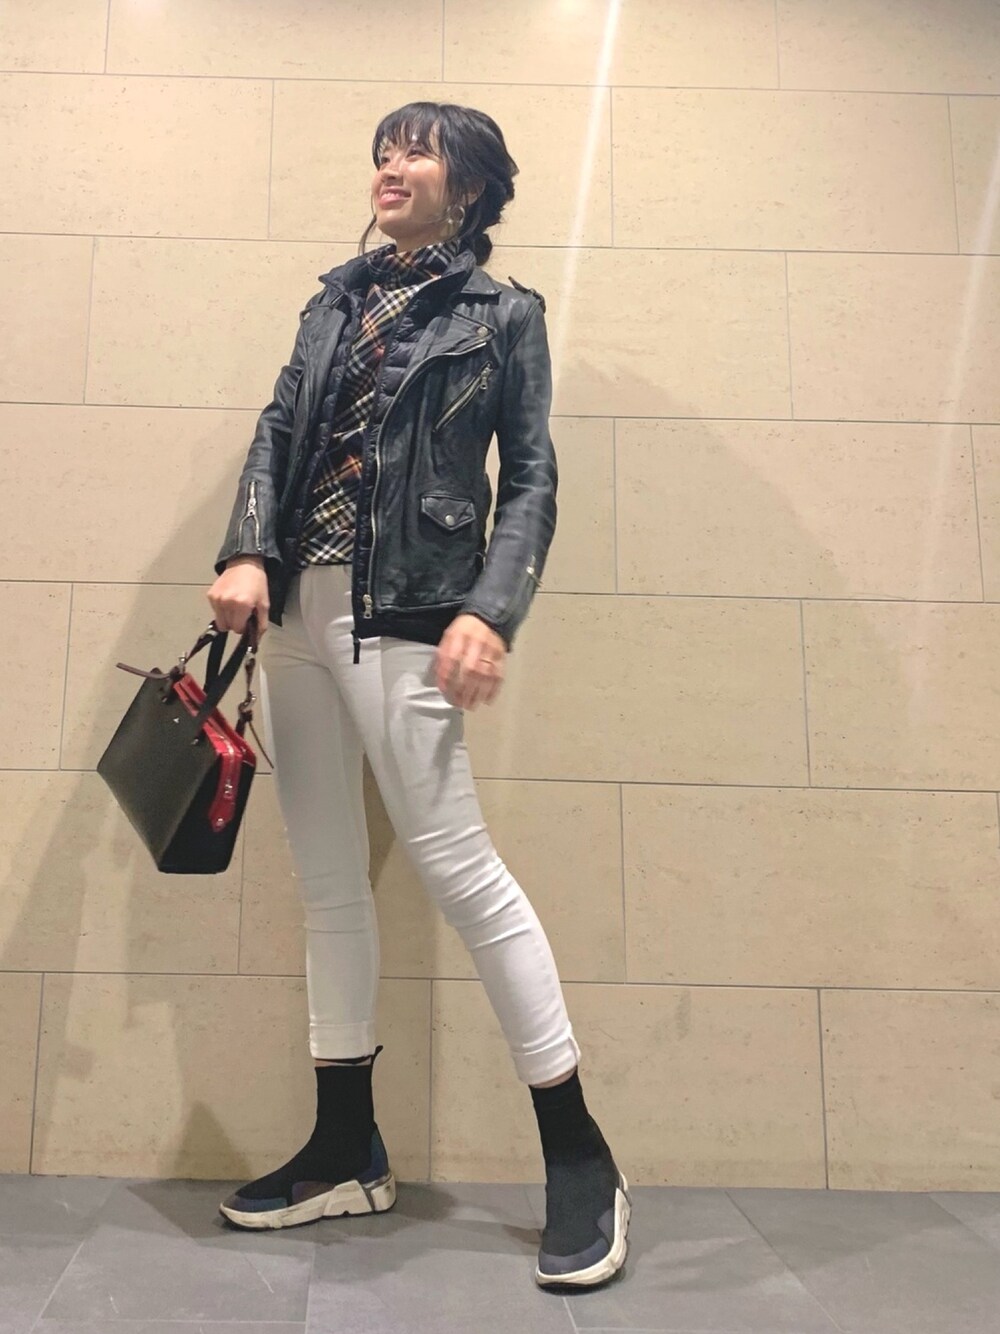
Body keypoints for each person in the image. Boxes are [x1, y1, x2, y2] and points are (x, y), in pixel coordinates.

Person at [206, 100, 630, 1290]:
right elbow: (279, 427)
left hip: (406, 611)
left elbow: (531, 478)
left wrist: (489, 610)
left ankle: (580, 1154)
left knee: (463, 877)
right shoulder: (333, 299)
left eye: (419, 150)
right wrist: (249, 548)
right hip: (296, 613)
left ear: (471, 187)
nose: (393, 165)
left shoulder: (502, 316)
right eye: (385, 149)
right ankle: (347, 1146)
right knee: (329, 882)